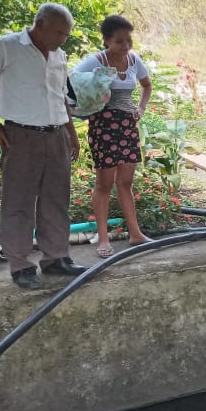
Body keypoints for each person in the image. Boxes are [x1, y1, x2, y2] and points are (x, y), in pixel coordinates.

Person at [0, 2, 87, 289]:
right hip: (20, 135)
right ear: (40, 24)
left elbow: (60, 97)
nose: (62, 40)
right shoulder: (5, 47)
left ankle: (56, 257)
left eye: (66, 34)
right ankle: (20, 264)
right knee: (18, 200)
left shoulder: (58, 55)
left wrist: (71, 133)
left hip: (56, 134)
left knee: (57, 198)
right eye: (58, 33)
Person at [73, 15, 153, 257]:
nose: (126, 45)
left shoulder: (134, 60)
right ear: (106, 40)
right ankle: (103, 239)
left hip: (128, 126)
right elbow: (70, 83)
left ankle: (135, 234)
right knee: (104, 184)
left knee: (126, 182)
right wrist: (88, 102)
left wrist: (140, 108)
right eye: (119, 41)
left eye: (129, 40)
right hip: (103, 127)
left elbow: (147, 85)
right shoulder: (96, 61)